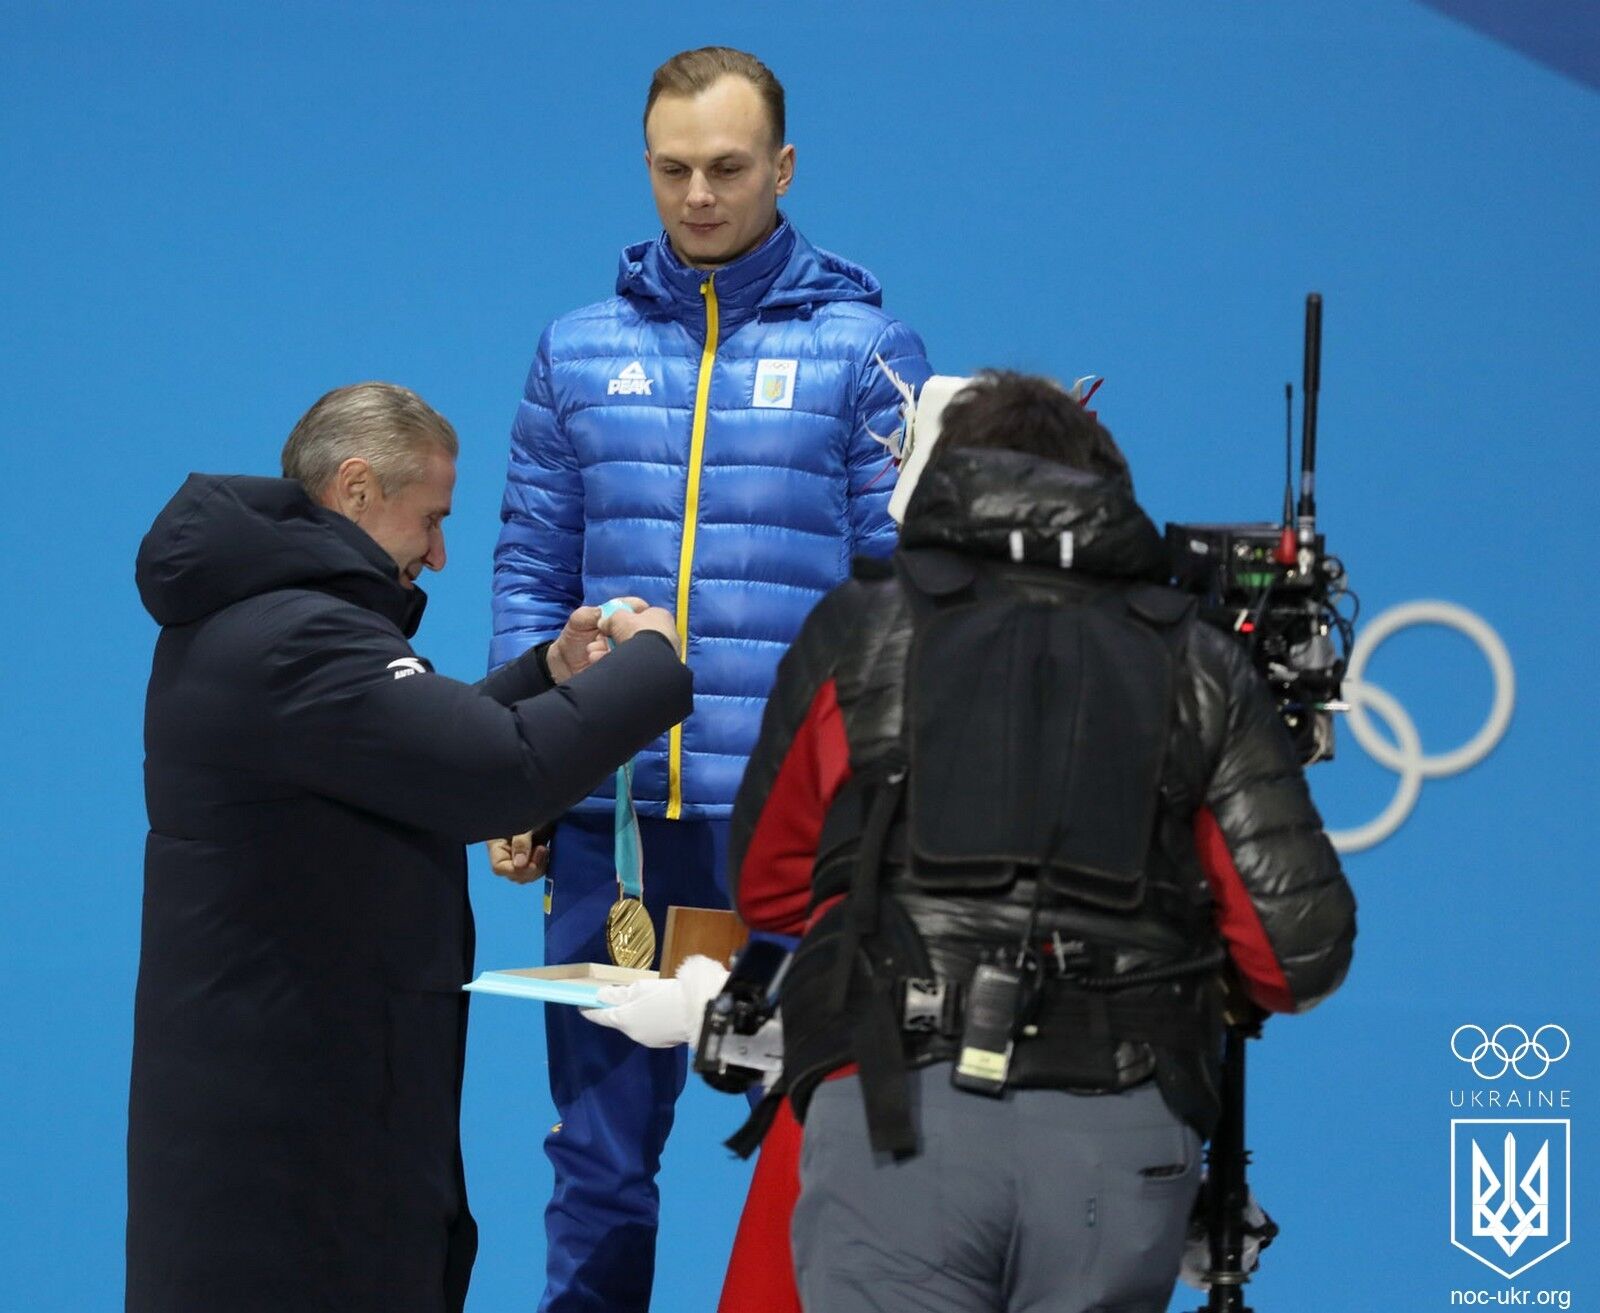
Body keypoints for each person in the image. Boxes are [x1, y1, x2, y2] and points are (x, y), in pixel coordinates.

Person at [729, 371, 1358, 1313]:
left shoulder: (858, 631)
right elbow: (1297, 954)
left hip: (895, 1107)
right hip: (1120, 1134)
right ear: (1109, 492)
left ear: (942, 477)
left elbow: (769, 886)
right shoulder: (1201, 659)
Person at [488, 46, 932, 1313]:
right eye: (673, 169)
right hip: (611, 827)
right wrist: (516, 759)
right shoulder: (573, 352)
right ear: (646, 167)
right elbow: (529, 565)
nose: (697, 195)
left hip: (793, 835)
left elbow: (897, 590)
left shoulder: (866, 350)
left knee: (815, 1153)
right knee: (595, 1163)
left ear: (782, 168)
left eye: (727, 168)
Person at [127, 382, 691, 1313]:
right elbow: (495, 774)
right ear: (355, 489)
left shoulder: (270, 624)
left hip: (297, 1122)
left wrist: (549, 672)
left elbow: (413, 748)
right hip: (292, 1159)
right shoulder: (297, 638)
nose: (439, 552)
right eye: (431, 518)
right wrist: (653, 663)